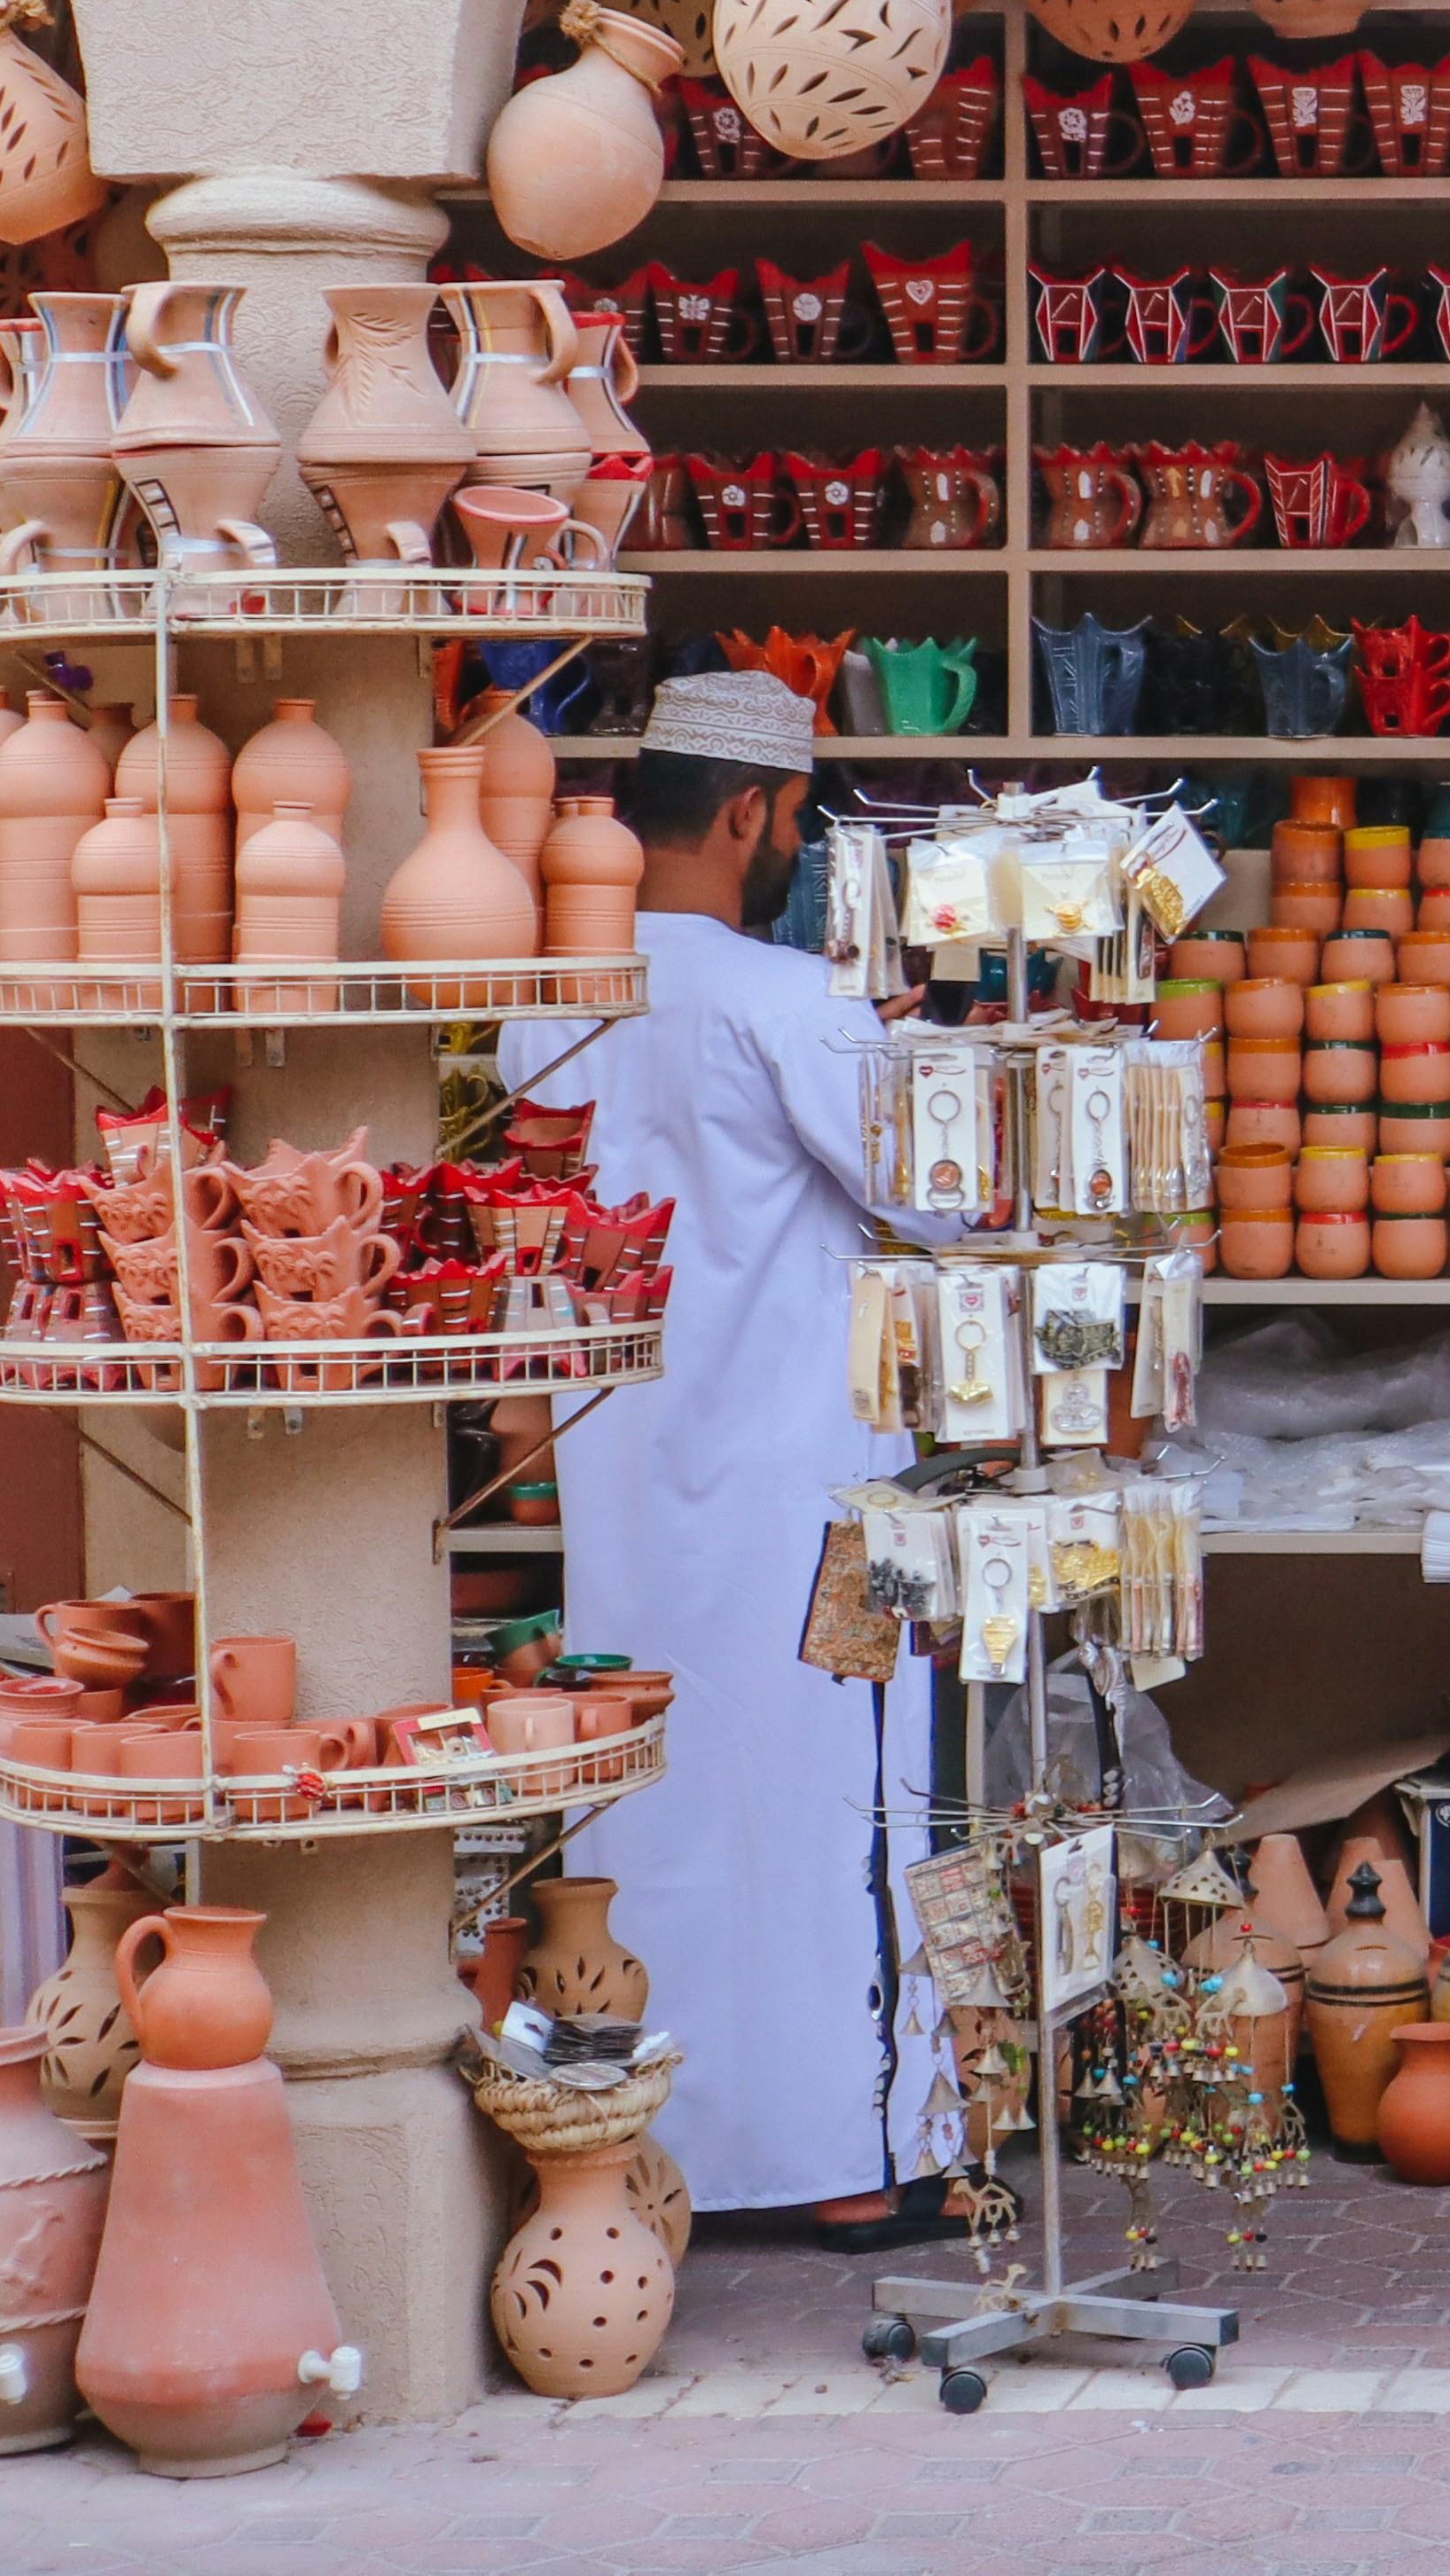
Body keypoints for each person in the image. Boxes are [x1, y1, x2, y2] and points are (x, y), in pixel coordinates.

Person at [503, 670, 951, 2244]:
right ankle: (839, 2164)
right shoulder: (786, 1001)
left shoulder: (549, 999)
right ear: (754, 816)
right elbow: (946, 1192)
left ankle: (641, 2144)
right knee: (834, 1805)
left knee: (653, 1813)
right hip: (810, 1497)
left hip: (627, 1492)